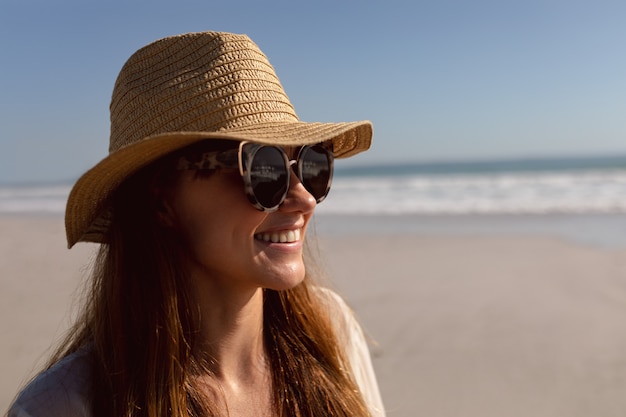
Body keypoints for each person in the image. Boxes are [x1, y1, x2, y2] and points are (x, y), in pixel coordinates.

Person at [8, 31, 384, 417]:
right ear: (162, 199)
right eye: (264, 169)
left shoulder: (331, 333)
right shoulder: (65, 407)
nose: (303, 198)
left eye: (311, 164)